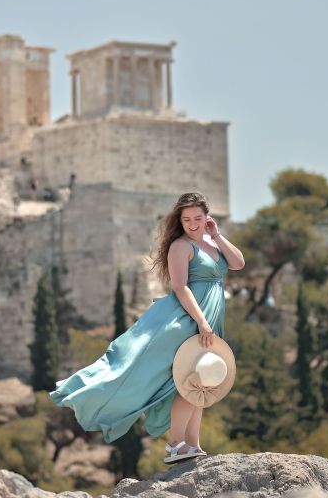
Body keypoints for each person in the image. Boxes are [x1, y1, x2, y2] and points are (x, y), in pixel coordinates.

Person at [49, 192, 245, 462]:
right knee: (194, 378)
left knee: (201, 382)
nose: (192, 223)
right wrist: (201, 321)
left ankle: (191, 443)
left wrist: (217, 234)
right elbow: (179, 287)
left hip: (211, 317)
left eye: (198, 218)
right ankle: (175, 445)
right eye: (186, 219)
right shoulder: (181, 246)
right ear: (180, 220)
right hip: (189, 317)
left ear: (207, 218)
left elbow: (238, 263)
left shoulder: (212, 242)